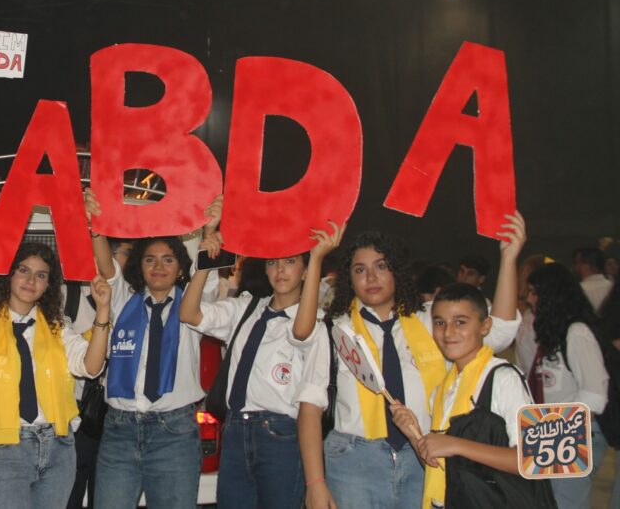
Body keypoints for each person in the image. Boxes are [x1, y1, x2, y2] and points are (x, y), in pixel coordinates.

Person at [318, 213, 524, 509]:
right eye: (360, 269)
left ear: (397, 271)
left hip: (424, 455)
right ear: (348, 278)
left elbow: (500, 330)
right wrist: (315, 482)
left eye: (381, 266)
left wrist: (509, 259)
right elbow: (310, 402)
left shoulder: (432, 319)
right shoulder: (335, 328)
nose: (371, 278)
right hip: (355, 463)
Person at [179, 222, 341, 509]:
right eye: (273, 262)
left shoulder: (314, 323)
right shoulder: (247, 307)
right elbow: (190, 314)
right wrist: (205, 262)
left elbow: (301, 332)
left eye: (290, 262)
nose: (280, 270)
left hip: (280, 436)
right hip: (235, 431)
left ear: (305, 271)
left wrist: (316, 258)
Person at [89, 191, 220, 509]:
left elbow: (206, 274)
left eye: (168, 259)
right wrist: (94, 225)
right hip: (119, 431)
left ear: (180, 267)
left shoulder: (193, 304)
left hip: (173, 433)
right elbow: (107, 268)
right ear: (140, 265)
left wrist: (210, 231)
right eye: (150, 259)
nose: (158, 266)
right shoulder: (123, 300)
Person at [0, 242, 112, 508]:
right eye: (23, 270)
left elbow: (92, 367)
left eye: (41, 275)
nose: (30, 280)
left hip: (58, 444)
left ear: (49, 284)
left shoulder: (59, 328)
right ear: (9, 275)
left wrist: (103, 309)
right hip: (6, 446)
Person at [390, 282, 548, 509]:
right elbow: (444, 470)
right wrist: (415, 436)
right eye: (440, 323)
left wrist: (456, 444)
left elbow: (533, 459)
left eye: (460, 322)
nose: (448, 332)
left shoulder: (503, 379)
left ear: (485, 326)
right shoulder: (443, 389)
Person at [516, 262, 609, 508]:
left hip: (574, 431)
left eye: (534, 292)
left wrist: (560, 430)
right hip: (553, 429)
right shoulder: (552, 332)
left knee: (565, 502)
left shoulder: (577, 332)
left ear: (551, 295)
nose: (529, 298)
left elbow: (595, 394)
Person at [572, 247, 612, 314]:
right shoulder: (613, 285)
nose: (574, 267)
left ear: (585, 265)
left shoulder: (578, 290)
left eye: (576, 262)